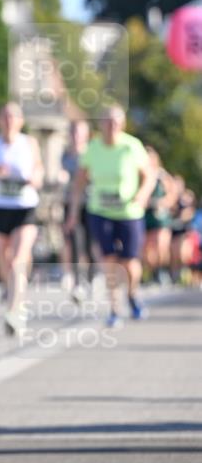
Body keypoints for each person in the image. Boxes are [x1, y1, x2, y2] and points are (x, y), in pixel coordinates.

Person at [65, 104, 155, 326]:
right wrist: (73, 212)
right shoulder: (93, 148)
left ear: (122, 124)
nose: (111, 125)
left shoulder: (131, 146)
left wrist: (141, 196)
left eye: (115, 121)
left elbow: (149, 176)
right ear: (100, 124)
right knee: (109, 260)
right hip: (100, 211)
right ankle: (114, 308)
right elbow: (79, 182)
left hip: (129, 212)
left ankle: (132, 294)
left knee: (130, 262)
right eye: (107, 121)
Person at [0, 102, 43, 334]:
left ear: (21, 121)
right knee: (3, 258)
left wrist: (34, 179)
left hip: (24, 206)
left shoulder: (29, 143)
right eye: (5, 116)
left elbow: (38, 169)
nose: (9, 121)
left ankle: (14, 310)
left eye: (13, 117)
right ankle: (12, 289)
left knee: (17, 259)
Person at [59, 120, 96, 301]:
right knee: (73, 242)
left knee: (90, 243)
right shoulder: (65, 155)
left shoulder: (92, 153)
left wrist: (80, 179)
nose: (76, 136)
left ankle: (91, 278)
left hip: (90, 203)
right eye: (73, 132)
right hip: (70, 203)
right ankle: (77, 282)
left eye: (79, 132)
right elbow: (61, 174)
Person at [143, 148, 177, 285]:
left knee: (161, 245)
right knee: (147, 248)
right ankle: (153, 273)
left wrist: (162, 203)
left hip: (160, 216)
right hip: (146, 215)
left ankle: (162, 271)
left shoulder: (162, 176)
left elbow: (172, 194)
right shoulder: (141, 175)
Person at [169, 177, 197, 284]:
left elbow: (190, 212)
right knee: (174, 254)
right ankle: (174, 275)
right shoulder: (171, 197)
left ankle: (184, 273)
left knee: (183, 254)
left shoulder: (186, 196)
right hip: (174, 229)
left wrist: (181, 218)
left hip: (184, 230)